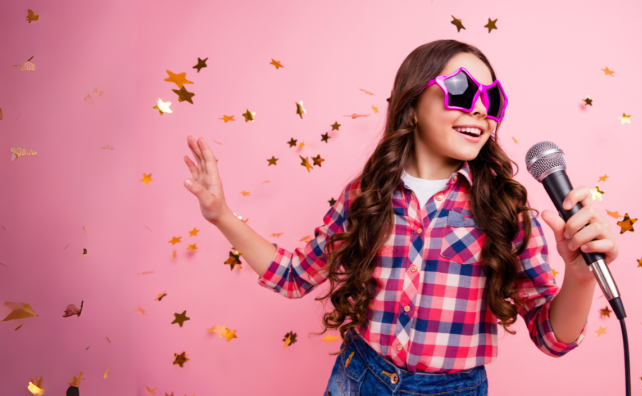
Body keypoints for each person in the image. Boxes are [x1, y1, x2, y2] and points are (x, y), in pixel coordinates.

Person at [182, 39, 619, 396]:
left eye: (493, 100)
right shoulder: (366, 195)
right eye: (463, 91)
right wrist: (220, 214)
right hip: (359, 379)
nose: (481, 110)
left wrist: (580, 278)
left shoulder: (505, 209)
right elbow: (294, 275)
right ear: (413, 102)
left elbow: (552, 338)